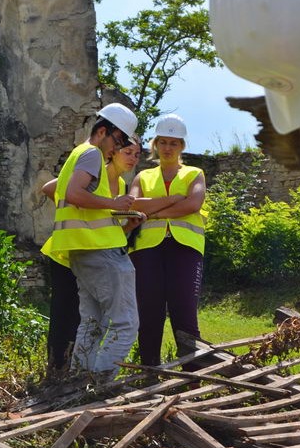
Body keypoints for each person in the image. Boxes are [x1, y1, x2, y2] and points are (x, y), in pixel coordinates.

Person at [41, 103, 145, 380]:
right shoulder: (92, 154)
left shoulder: (78, 154)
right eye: (119, 141)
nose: (117, 148)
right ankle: (98, 384)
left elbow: (76, 201)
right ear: (102, 132)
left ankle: (79, 381)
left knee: (91, 323)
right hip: (100, 252)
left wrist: (121, 220)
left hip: (83, 252)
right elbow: (75, 194)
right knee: (125, 324)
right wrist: (113, 204)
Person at [129, 113, 207, 367]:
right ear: (155, 144)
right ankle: (149, 373)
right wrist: (173, 200)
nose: (167, 148)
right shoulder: (143, 176)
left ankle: (193, 377)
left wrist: (153, 211)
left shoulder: (195, 173)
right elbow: (133, 205)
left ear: (182, 146)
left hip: (185, 248)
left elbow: (193, 204)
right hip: (146, 250)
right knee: (149, 313)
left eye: (173, 143)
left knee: (184, 312)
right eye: (162, 142)